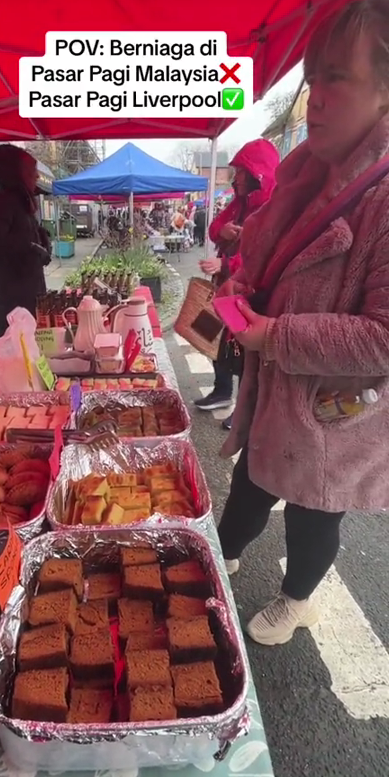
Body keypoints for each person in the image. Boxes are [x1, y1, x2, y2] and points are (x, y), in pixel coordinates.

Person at [217, 0, 389, 646]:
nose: (315, 97)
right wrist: (242, 285)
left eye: (336, 77)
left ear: (384, 89)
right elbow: (270, 263)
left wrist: (274, 335)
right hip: (274, 396)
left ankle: (298, 597)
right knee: (250, 481)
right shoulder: (303, 175)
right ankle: (222, 551)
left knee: (313, 511)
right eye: (312, 77)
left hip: (330, 412)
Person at [194, 140, 280, 413]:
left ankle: (245, 411)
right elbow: (213, 228)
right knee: (216, 339)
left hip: (253, 294)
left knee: (245, 351)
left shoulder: (273, 207)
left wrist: (226, 264)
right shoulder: (239, 203)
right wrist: (224, 230)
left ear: (258, 174)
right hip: (226, 288)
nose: (236, 177)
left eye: (242, 171)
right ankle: (222, 392)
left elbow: (265, 253)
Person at [0, 144, 51, 337]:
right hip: (10, 300)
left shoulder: (21, 201)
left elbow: (20, 235)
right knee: (17, 348)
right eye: (32, 171)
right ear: (17, 173)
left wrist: (41, 237)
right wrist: (31, 247)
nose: (36, 176)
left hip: (25, 291)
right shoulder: (3, 202)